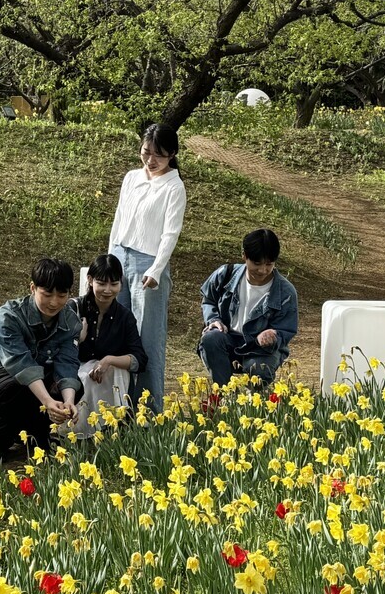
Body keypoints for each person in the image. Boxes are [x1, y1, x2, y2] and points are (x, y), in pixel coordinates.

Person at [0, 258, 81, 461]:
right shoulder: (9, 317)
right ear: (32, 288)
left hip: (34, 387)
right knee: (19, 384)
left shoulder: (69, 320)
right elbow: (21, 365)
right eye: (47, 294)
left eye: (62, 295)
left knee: (73, 386)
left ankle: (35, 436)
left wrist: (68, 402)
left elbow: (67, 363)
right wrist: (47, 401)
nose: (54, 302)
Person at [108, 123, 186, 414]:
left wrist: (156, 269)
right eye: (146, 152)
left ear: (172, 154)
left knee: (147, 337)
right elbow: (119, 219)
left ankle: (149, 410)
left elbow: (170, 233)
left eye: (159, 155)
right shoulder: (131, 178)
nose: (151, 160)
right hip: (120, 256)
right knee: (117, 332)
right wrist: (109, 259)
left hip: (149, 263)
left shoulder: (174, 187)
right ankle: (118, 406)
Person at [198, 228, 299, 390]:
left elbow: (287, 329)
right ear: (244, 255)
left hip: (260, 350)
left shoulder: (285, 292)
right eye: (257, 263)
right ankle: (224, 394)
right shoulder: (226, 274)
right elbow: (208, 300)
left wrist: (274, 335)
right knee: (211, 338)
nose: (263, 270)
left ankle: (254, 403)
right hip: (228, 340)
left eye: (269, 264)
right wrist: (213, 319)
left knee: (258, 370)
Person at [70, 254, 148, 439]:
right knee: (85, 378)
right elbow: (59, 350)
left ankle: (111, 427)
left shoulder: (124, 316)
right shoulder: (75, 308)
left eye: (114, 284)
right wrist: (78, 339)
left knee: (117, 370)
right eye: (101, 283)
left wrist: (108, 360)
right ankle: (74, 432)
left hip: (104, 379)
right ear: (90, 280)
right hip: (74, 372)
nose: (107, 290)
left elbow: (140, 359)